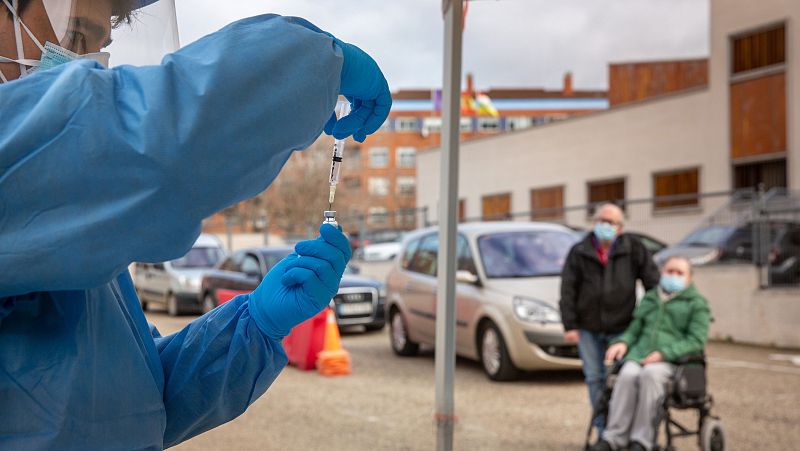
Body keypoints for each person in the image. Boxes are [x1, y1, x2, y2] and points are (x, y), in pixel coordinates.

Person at [0, 0, 390, 448]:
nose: (88, 67)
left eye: (98, 47)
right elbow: (156, 147)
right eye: (75, 36)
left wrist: (255, 324)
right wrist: (315, 65)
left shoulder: (61, 222)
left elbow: (136, 399)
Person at [590, 256, 711, 451]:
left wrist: (664, 354)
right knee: (627, 374)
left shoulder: (697, 304)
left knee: (650, 375)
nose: (673, 276)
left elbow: (696, 340)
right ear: (662, 273)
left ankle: (642, 441)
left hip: (676, 362)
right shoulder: (650, 298)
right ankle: (614, 438)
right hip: (640, 355)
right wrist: (622, 342)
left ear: (689, 279)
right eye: (669, 271)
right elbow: (634, 329)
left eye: (680, 273)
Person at [559, 203, 660, 433]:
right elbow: (568, 289)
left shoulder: (634, 248)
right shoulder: (579, 251)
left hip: (622, 328)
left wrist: (643, 320)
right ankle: (604, 431)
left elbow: (653, 286)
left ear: (620, 228)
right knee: (595, 380)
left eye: (611, 222)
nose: (605, 225)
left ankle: (621, 430)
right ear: (594, 223)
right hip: (588, 329)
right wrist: (570, 324)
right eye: (601, 221)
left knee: (624, 380)